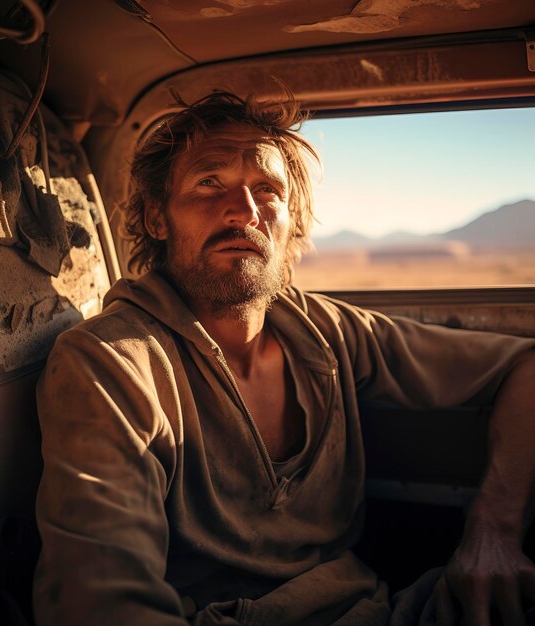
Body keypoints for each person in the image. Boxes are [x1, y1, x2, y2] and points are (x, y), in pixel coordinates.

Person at [33, 91, 535, 626]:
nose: (243, 211)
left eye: (267, 190)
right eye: (209, 182)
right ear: (158, 217)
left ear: (289, 221)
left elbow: (523, 366)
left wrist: (496, 529)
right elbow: (104, 606)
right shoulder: (111, 364)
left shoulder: (325, 332)